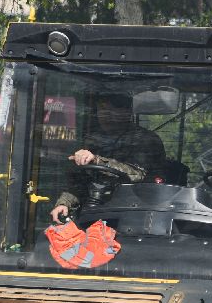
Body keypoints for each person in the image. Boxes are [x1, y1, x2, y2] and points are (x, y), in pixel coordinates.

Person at [51, 94, 172, 224]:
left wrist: (97, 160)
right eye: (102, 110)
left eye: (111, 111)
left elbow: (137, 174)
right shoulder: (93, 140)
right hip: (95, 208)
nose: (105, 116)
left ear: (127, 112)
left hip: (137, 212)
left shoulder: (145, 140)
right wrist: (65, 203)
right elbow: (81, 180)